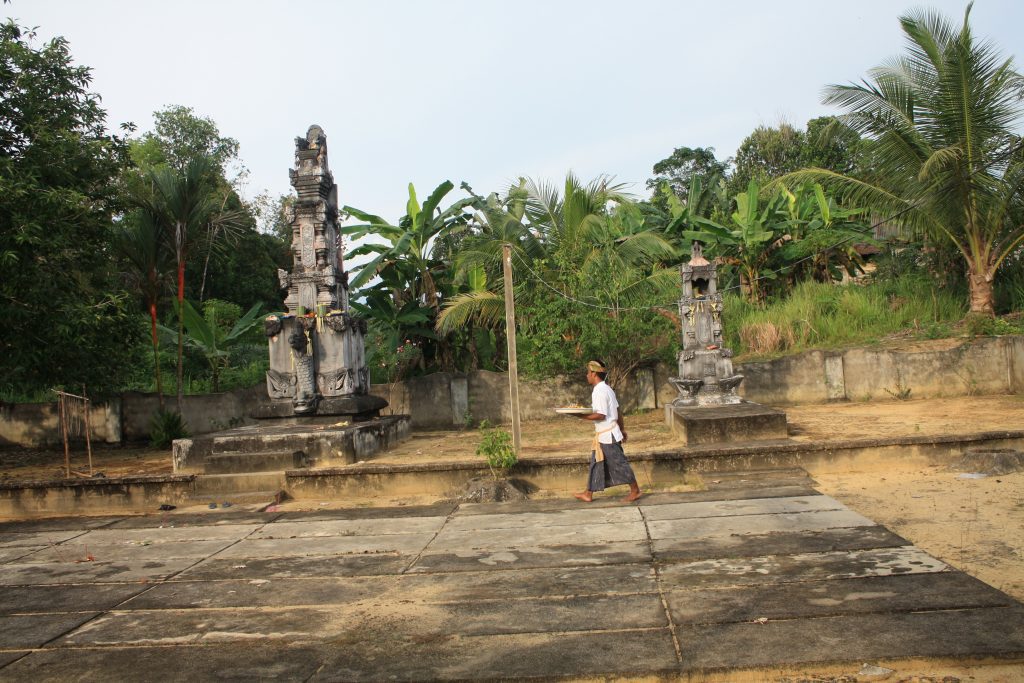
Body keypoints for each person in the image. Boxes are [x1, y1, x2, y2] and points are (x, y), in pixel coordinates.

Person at [573, 360, 642, 503]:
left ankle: (635, 491)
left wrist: (579, 415)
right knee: (595, 463)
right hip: (606, 434)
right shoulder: (608, 389)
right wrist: (622, 429)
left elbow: (601, 415)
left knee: (619, 463)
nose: (587, 375)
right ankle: (588, 493)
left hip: (608, 435)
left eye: (588, 373)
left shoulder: (600, 391)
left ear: (593, 374)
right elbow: (618, 411)